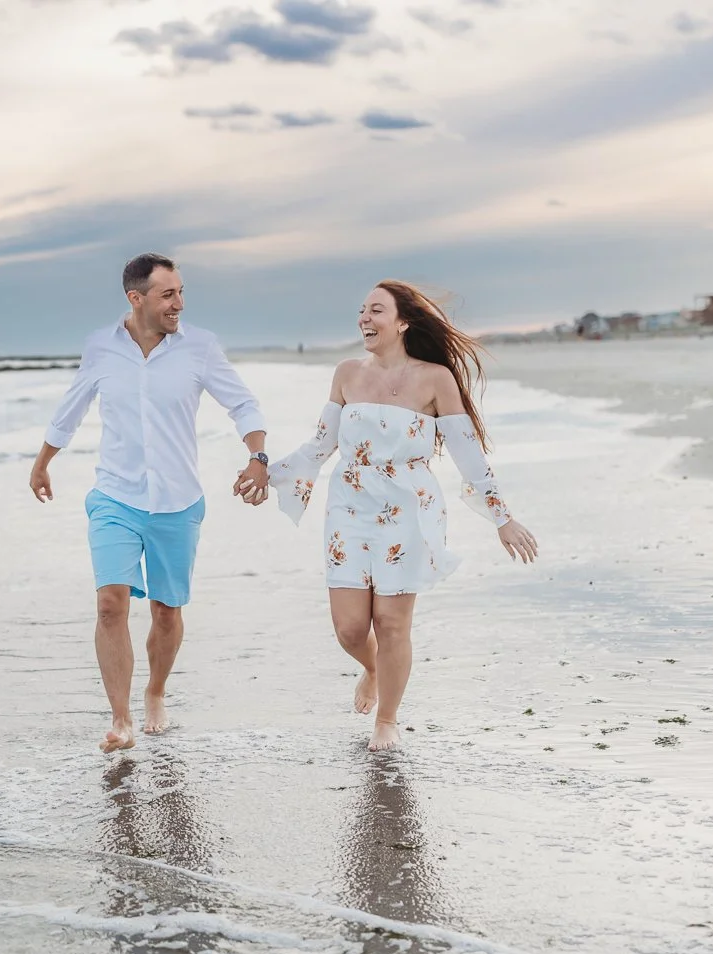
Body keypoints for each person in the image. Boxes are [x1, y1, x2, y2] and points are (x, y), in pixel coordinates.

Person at [254, 281, 539, 752]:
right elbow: (320, 446)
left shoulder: (435, 379)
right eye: (361, 311)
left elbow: (468, 454)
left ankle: (386, 719)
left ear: (403, 322)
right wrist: (267, 473)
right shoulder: (346, 373)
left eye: (376, 311)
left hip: (408, 508)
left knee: (390, 622)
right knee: (350, 629)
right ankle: (372, 668)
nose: (364, 319)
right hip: (349, 507)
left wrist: (502, 518)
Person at [30, 253, 269, 753]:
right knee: (110, 605)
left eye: (181, 292)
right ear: (135, 298)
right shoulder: (100, 347)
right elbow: (72, 407)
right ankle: (121, 720)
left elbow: (242, 404)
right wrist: (43, 461)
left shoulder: (200, 347)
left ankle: (155, 691)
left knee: (165, 612)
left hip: (177, 501)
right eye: (168, 294)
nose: (179, 303)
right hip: (115, 496)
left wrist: (257, 457)